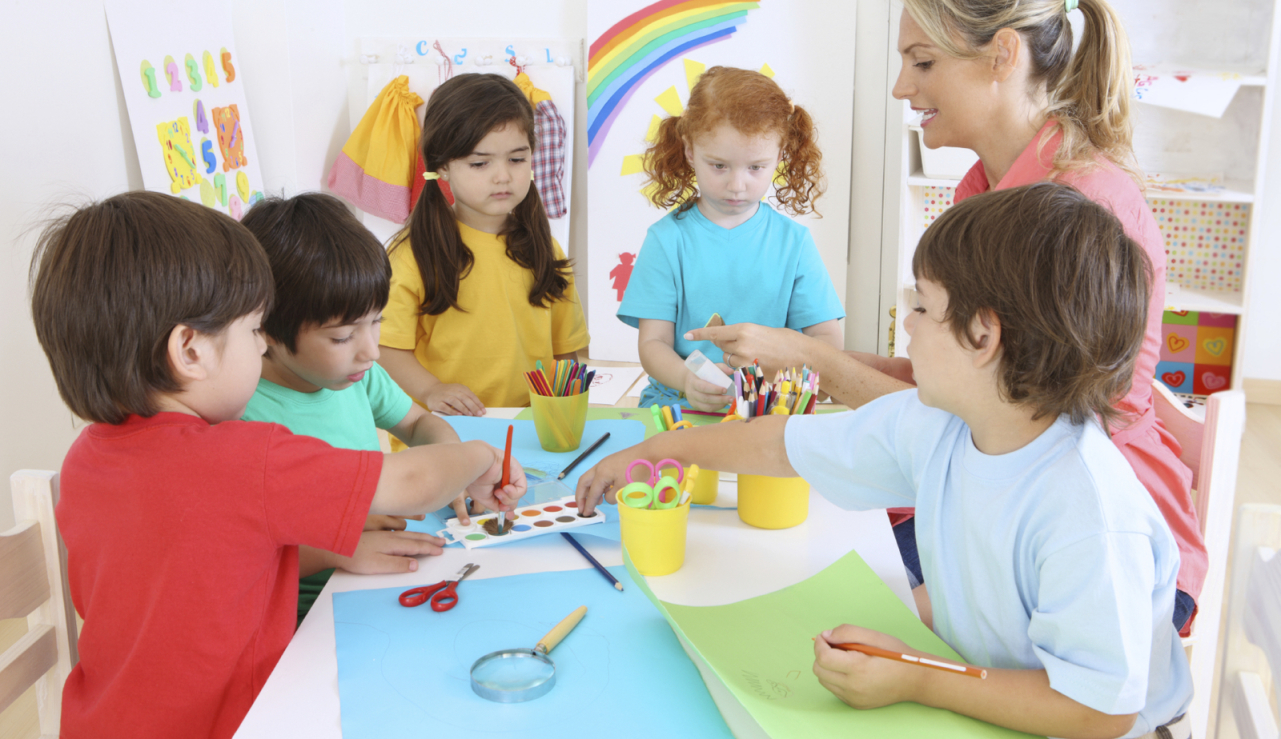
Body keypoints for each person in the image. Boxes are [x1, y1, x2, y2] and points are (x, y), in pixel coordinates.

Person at [579, 183, 1192, 739]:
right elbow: (780, 443)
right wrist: (659, 449)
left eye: (922, 307)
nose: (908, 326)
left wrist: (919, 676)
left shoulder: (1088, 512)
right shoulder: (944, 422)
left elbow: (1097, 710)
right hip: (985, 692)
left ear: (982, 337)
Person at [686, 0, 1204, 634]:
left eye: (923, 62)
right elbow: (963, 383)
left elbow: (1004, 427)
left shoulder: (1076, 215)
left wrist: (815, 360)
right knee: (779, 572)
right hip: (1000, 510)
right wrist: (807, 358)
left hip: (1098, 559)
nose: (902, 86)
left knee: (801, 610)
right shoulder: (982, 188)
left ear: (1002, 55)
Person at [30, 192, 524, 739]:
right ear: (191, 351)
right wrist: (481, 456)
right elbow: (410, 482)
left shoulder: (84, 460)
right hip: (237, 722)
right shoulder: (242, 455)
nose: (262, 348)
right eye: (253, 332)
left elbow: (203, 566)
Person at [240, 193, 482, 625]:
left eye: (377, 322)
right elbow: (243, 554)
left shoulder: (356, 375)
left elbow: (419, 423)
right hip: (303, 618)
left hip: (374, 584)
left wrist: (451, 471)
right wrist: (338, 545)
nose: (371, 351)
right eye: (342, 337)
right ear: (267, 331)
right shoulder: (242, 415)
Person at [618, 65, 845, 411]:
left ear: (779, 155)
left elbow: (826, 337)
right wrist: (686, 380)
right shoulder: (666, 240)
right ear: (690, 150)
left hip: (770, 405)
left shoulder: (794, 242)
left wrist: (794, 376)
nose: (737, 185)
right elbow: (653, 344)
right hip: (680, 401)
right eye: (719, 166)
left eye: (755, 167)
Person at [378, 73, 589, 429]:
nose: (502, 176)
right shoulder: (412, 254)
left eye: (517, 159)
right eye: (480, 163)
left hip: (529, 429)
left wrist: (565, 411)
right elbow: (386, 348)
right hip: (444, 431)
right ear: (442, 166)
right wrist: (431, 390)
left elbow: (565, 348)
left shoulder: (543, 247)